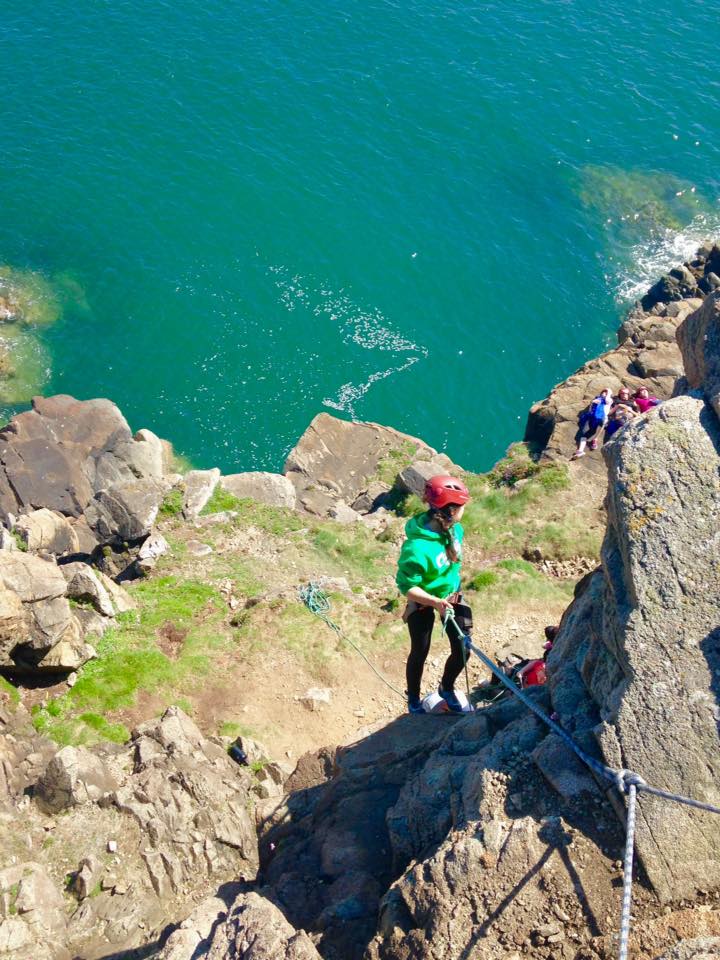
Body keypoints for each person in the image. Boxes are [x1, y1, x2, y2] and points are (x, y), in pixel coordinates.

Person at [396, 475, 471, 714]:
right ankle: (414, 699)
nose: (464, 511)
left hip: (450, 594)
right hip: (424, 602)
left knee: (463, 647)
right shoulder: (417, 548)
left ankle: (446, 688)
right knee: (420, 650)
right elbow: (407, 586)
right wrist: (434, 602)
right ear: (450, 509)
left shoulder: (455, 529)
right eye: (461, 507)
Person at [572, 388, 613, 458]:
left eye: (606, 393)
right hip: (592, 418)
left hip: (601, 419)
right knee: (584, 434)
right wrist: (593, 402)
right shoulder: (596, 399)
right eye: (603, 392)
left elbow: (607, 401)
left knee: (599, 428)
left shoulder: (609, 400)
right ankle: (580, 451)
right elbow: (591, 410)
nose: (604, 393)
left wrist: (608, 392)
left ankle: (595, 440)